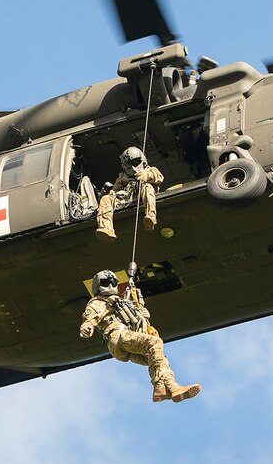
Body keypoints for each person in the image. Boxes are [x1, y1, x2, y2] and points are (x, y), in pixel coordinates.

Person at [79, 270, 201, 403]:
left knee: (159, 358)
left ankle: (171, 388)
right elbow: (91, 318)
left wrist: (142, 315)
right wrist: (87, 327)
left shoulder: (121, 303)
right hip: (119, 336)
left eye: (113, 282)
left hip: (122, 343)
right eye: (105, 282)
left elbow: (134, 319)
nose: (110, 285)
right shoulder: (98, 303)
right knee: (154, 343)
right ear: (98, 286)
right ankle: (158, 385)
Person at [95, 147, 163, 241]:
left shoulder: (150, 170)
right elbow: (114, 190)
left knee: (147, 187)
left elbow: (159, 177)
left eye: (135, 162)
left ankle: (151, 216)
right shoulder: (123, 177)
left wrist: (146, 175)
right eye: (129, 165)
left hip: (144, 196)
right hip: (127, 198)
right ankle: (106, 228)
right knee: (106, 198)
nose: (133, 167)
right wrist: (113, 192)